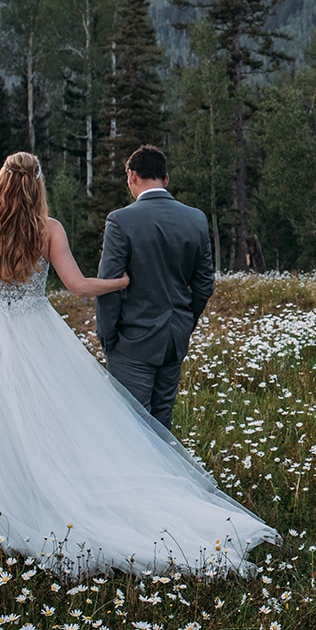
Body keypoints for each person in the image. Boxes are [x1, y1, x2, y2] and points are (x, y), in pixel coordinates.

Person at [0, 150, 277, 577]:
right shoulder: (48, 229)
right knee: (46, 419)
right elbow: (79, 286)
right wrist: (118, 282)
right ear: (38, 185)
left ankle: (10, 496)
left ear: (1, 181)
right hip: (34, 329)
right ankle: (62, 489)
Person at [95, 144, 212, 430]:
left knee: (131, 427)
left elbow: (109, 285)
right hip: (174, 339)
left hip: (132, 340)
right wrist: (185, 322)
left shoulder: (120, 220)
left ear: (132, 176)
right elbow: (204, 284)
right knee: (161, 425)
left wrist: (107, 337)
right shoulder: (196, 218)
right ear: (166, 178)